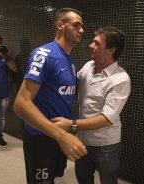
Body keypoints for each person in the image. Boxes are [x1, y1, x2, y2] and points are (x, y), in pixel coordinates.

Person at [13, 8, 87, 184]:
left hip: (59, 134)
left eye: (82, 26)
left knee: (54, 177)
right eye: (76, 25)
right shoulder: (43, 55)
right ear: (60, 25)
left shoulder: (72, 61)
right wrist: (62, 136)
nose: (82, 30)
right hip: (41, 137)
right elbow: (21, 104)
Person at [52, 27, 131, 184]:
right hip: (83, 140)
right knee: (83, 178)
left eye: (96, 43)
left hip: (105, 144)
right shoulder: (88, 66)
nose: (90, 45)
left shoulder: (120, 79)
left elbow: (106, 119)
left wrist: (70, 125)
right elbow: (73, 87)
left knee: (108, 180)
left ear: (110, 50)